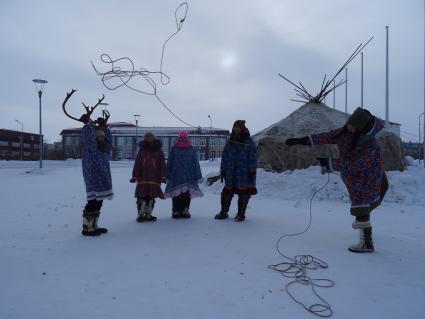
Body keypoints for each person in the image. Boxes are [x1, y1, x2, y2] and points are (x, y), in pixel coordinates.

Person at [286, 107, 389, 253]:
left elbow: (357, 165)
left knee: (361, 207)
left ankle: (366, 243)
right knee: (363, 208)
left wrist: (329, 163)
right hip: (356, 177)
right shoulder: (345, 133)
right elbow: (326, 137)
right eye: (349, 123)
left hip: (369, 177)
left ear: (361, 128)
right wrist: (302, 140)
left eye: (353, 126)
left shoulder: (368, 145)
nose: (349, 127)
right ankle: (363, 226)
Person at [215, 120, 257, 222]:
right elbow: (225, 156)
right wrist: (223, 169)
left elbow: (253, 155)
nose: (236, 129)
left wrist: (252, 168)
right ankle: (224, 212)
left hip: (243, 171)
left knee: (243, 192)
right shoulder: (230, 141)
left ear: (242, 128)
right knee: (227, 192)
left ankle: (240, 214)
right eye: (235, 127)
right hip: (231, 171)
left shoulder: (248, 141)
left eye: (238, 127)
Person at [81, 119, 113, 236]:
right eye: (99, 137)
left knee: (99, 202)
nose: (102, 138)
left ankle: (94, 225)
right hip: (93, 178)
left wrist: (104, 127)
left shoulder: (104, 148)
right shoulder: (90, 148)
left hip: (103, 177)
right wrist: (87, 124)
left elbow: (109, 141)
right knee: (92, 202)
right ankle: (87, 228)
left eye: (102, 137)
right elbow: (88, 135)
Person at [164, 131, 203, 219]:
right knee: (176, 193)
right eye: (181, 137)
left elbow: (195, 162)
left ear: (187, 138)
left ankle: (185, 209)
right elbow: (170, 161)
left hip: (188, 175)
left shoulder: (191, 148)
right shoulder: (174, 148)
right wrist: (167, 173)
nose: (183, 139)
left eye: (185, 137)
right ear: (179, 138)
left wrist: (198, 174)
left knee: (186, 193)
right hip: (176, 175)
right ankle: (176, 210)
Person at [130, 132, 166, 222]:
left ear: (154, 137)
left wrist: (163, 176)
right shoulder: (142, 150)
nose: (148, 138)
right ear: (144, 138)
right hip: (142, 177)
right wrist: (134, 176)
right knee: (141, 195)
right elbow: (137, 164)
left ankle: (148, 214)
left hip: (154, 176)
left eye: (150, 136)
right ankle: (141, 214)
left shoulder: (159, 150)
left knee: (151, 195)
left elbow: (162, 164)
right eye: (146, 136)